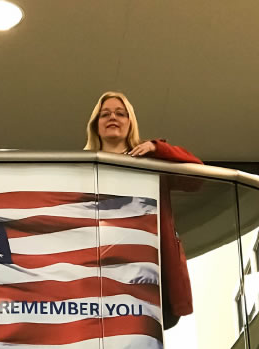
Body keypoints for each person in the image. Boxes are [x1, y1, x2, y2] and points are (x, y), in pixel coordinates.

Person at [84, 91, 202, 329]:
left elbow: (196, 178)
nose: (113, 117)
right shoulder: (83, 168)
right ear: (96, 125)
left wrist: (158, 149)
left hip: (149, 272)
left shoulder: (151, 162)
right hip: (101, 271)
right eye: (105, 114)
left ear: (130, 122)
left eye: (120, 113)